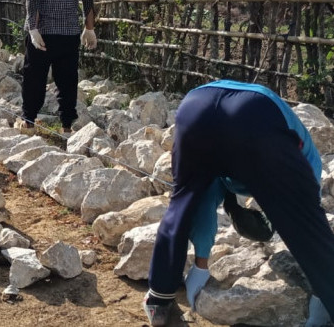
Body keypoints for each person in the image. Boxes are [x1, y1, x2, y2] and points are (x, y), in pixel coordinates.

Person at [143, 80, 334, 327]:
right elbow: (307, 226)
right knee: (305, 222)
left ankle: (158, 299)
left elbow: (201, 205)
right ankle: (328, 303)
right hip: (256, 113)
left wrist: (201, 266)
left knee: (183, 201)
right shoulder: (309, 164)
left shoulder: (232, 165)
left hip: (195, 106)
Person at [18, 0, 96, 134]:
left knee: (34, 78)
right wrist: (89, 28)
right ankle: (67, 126)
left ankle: (28, 122)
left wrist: (32, 28)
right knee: (68, 79)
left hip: (42, 33)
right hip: (70, 33)